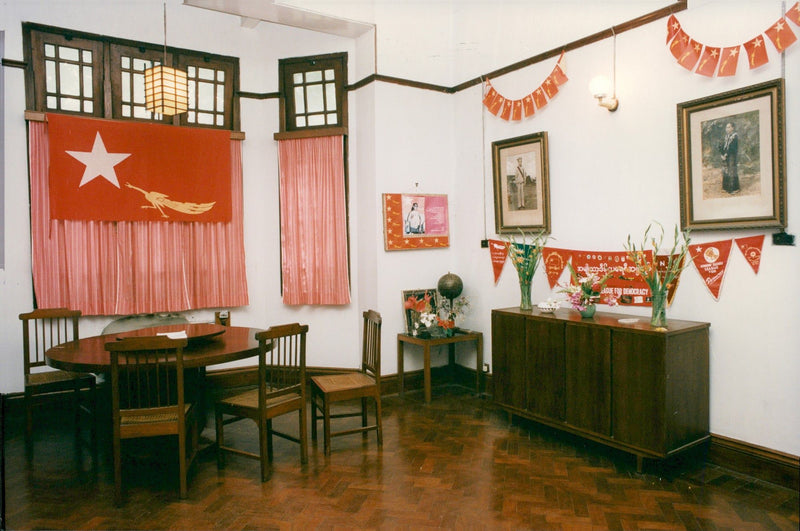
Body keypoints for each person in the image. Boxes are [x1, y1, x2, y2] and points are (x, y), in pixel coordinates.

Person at [720, 122, 740, 194]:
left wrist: (726, 154)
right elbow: (721, 146)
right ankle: (726, 187)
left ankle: (734, 188)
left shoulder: (735, 136)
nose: (727, 129)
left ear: (733, 128)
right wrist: (722, 154)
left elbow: (733, 148)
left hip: (732, 156)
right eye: (726, 127)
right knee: (725, 170)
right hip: (725, 156)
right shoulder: (726, 137)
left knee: (732, 170)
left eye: (729, 127)